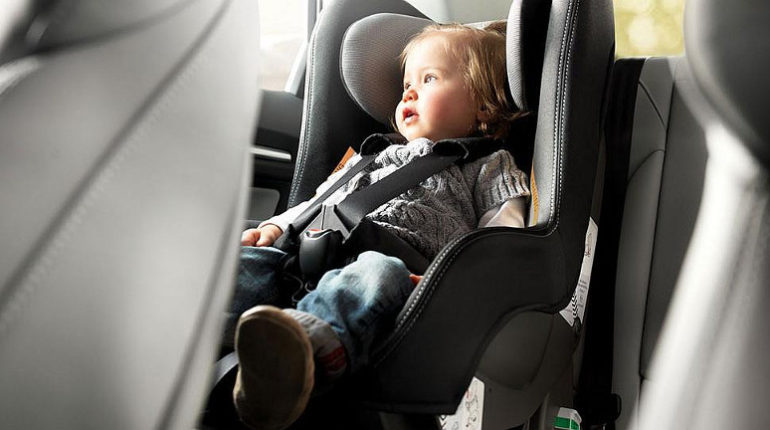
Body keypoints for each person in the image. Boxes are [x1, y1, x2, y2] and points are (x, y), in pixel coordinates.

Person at [230, 21, 531, 430]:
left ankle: (299, 353)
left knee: (376, 272)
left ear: (484, 108)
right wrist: (276, 227)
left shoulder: (486, 164)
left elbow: (501, 239)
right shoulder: (370, 155)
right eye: (407, 83)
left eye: (429, 79)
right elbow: (317, 203)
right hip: (307, 253)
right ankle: (194, 323)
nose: (408, 92)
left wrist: (452, 285)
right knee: (246, 263)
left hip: (401, 270)